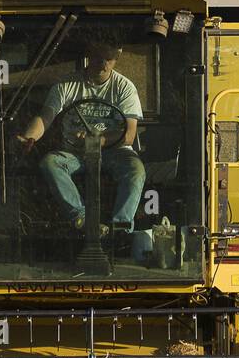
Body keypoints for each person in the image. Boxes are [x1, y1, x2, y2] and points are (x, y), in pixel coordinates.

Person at [17, 40, 146, 234]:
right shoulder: (66, 84)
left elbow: (128, 135)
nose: (103, 63)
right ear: (89, 55)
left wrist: (97, 140)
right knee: (50, 163)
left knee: (135, 169)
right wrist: (30, 137)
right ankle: (81, 219)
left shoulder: (125, 87)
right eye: (98, 57)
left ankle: (121, 229)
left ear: (116, 58)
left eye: (108, 58)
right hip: (74, 152)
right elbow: (46, 117)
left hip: (114, 152)